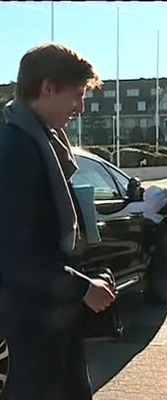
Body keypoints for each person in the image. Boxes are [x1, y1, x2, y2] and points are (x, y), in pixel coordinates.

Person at [0, 44, 116, 400]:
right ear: (48, 87)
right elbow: (16, 256)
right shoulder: (16, 149)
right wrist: (81, 287)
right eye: (76, 95)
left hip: (48, 320)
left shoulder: (43, 142)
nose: (81, 108)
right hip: (30, 324)